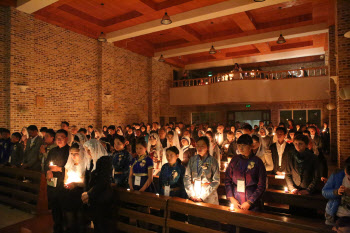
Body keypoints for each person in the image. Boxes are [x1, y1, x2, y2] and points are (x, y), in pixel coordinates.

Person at [225, 134, 267, 211]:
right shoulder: (235, 160)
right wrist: (231, 198)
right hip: (236, 200)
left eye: (244, 145)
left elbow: (261, 185)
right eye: (239, 145)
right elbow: (227, 180)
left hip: (252, 201)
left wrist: (250, 202)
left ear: (251, 146)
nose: (240, 148)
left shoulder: (257, 162)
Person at [82, 139, 113, 233]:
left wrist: (89, 193)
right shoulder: (91, 161)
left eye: (89, 150)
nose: (88, 152)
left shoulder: (105, 161)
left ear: (95, 148)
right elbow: (87, 179)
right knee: (95, 223)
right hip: (92, 197)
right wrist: (85, 192)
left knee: (101, 224)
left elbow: (103, 181)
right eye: (86, 150)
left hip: (101, 197)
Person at [45, 129, 70, 233]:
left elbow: (74, 167)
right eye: (57, 138)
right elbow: (46, 164)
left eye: (61, 138)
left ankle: (66, 226)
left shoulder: (70, 151)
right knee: (54, 205)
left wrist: (60, 169)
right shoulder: (52, 151)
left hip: (64, 182)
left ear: (66, 139)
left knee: (64, 206)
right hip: (52, 183)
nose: (59, 140)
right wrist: (48, 171)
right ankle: (57, 224)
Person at [184, 136, 220, 205]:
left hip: (209, 195)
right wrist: (191, 194)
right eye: (198, 146)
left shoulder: (213, 161)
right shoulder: (192, 160)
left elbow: (216, 181)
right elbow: (187, 177)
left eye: (202, 146)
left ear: (208, 147)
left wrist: (203, 196)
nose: (199, 148)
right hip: (194, 194)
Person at [62, 143, 89, 233]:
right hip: (69, 193)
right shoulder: (69, 164)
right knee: (69, 213)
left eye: (76, 153)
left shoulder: (85, 165)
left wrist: (75, 184)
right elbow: (65, 179)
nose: (73, 156)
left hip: (80, 193)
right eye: (71, 153)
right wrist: (66, 184)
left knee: (80, 216)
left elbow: (85, 182)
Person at [322, 157, 350, 225]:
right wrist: (336, 192)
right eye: (348, 177)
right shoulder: (337, 175)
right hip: (335, 214)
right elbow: (324, 192)